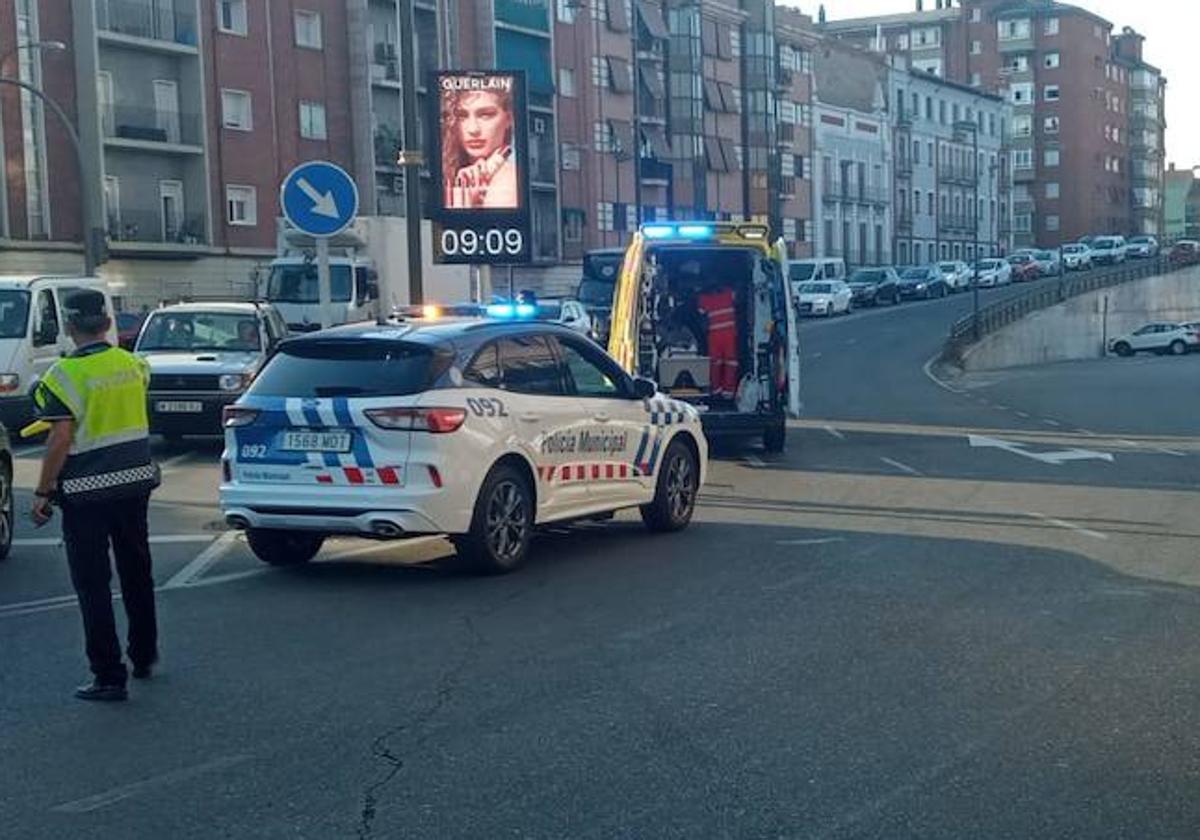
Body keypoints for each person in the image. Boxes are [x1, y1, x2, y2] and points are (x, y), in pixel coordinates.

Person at [31, 290, 161, 702]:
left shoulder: (62, 375)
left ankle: (108, 675)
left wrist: (42, 491)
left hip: (87, 493)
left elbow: (60, 439)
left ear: (69, 327)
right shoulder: (135, 364)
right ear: (107, 324)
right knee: (137, 572)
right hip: (135, 483)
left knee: (93, 584)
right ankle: (143, 654)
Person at [441, 85, 519, 209]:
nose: (473, 129)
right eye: (462, 116)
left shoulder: (509, 181)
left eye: (486, 115)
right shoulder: (451, 172)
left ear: (509, 119)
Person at [697, 283, 739, 400]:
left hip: (714, 336)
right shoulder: (730, 294)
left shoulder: (704, 299)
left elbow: (700, 314)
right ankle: (728, 391)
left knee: (715, 363)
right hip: (728, 335)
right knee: (730, 363)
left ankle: (717, 390)